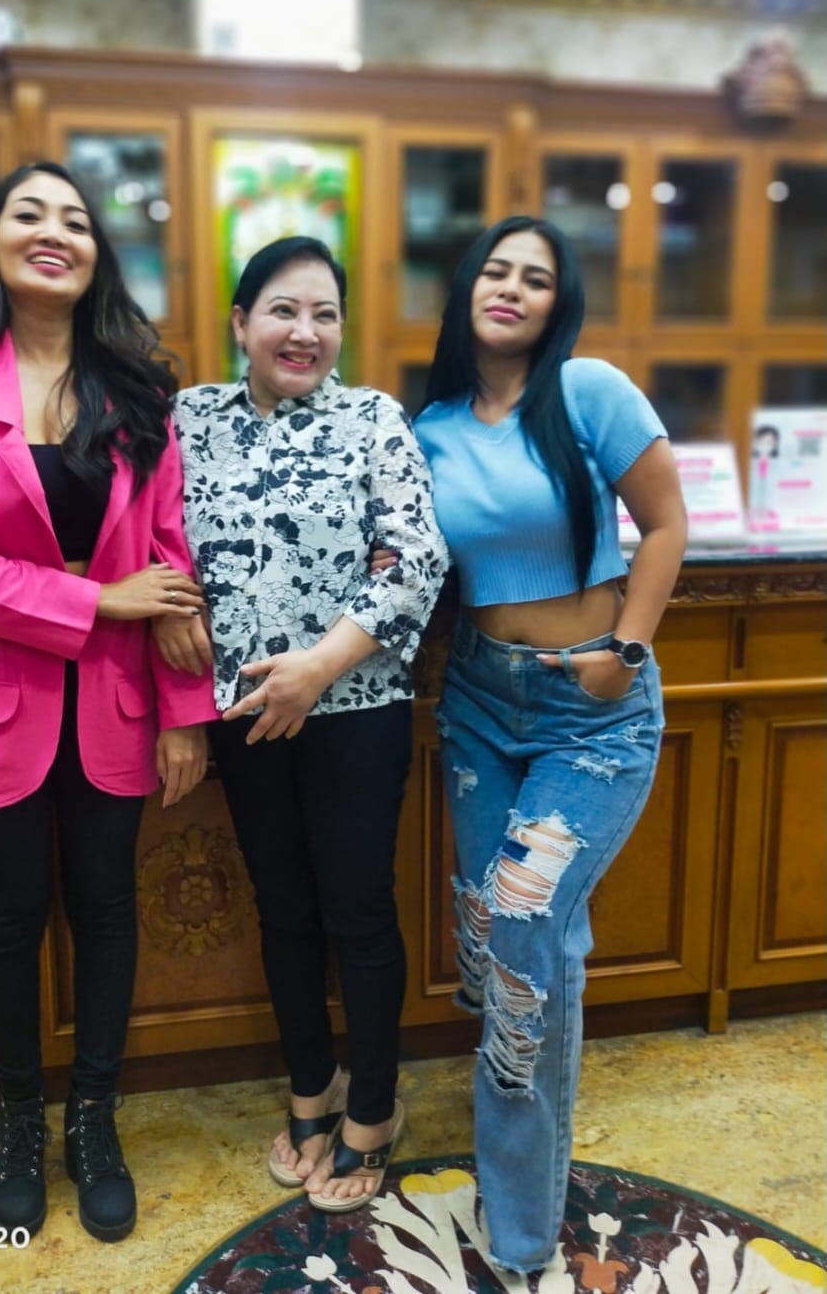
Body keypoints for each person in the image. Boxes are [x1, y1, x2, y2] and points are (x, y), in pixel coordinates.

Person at [0, 161, 214, 1244]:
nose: (53, 231)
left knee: (108, 909)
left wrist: (184, 708)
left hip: (114, 703)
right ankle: (19, 1122)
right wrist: (96, 599)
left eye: (74, 219)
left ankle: (94, 1120)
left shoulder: (138, 396)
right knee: (10, 916)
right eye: (28, 213)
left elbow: (168, 560)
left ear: (94, 255)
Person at [413, 215, 688, 1275]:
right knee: (490, 930)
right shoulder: (431, 426)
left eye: (535, 278)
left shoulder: (588, 392)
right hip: (482, 703)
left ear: (554, 303)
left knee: (526, 939)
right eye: (496, 270)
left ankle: (522, 1228)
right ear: (466, 289)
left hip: (592, 711)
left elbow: (664, 524)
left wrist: (626, 647)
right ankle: (513, 1100)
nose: (512, 288)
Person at [160, 236, 448, 1213]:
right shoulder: (190, 419)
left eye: (324, 315)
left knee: (357, 911)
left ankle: (372, 1107)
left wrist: (318, 668)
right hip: (243, 715)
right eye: (283, 309)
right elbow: (147, 535)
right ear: (240, 322)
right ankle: (309, 1088)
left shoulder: (372, 420)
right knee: (281, 909)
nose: (305, 331)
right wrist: (168, 607)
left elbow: (415, 559)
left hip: (353, 710)